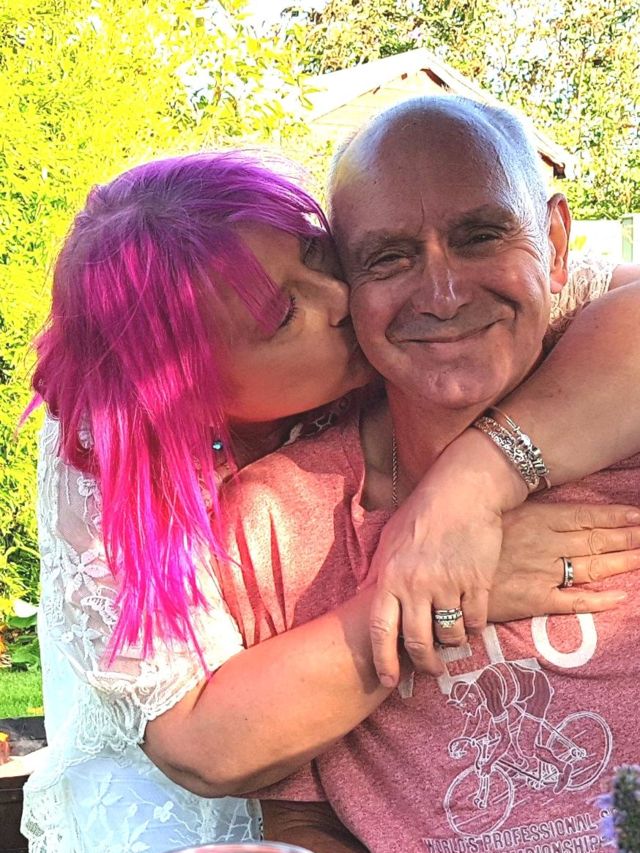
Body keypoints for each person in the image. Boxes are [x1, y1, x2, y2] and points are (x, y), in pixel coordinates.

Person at [23, 146, 640, 853]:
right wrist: (444, 585)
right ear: (192, 387)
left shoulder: (431, 311)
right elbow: (199, 745)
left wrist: (471, 484)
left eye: (318, 257)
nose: (342, 298)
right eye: (287, 312)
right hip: (191, 785)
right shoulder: (112, 456)